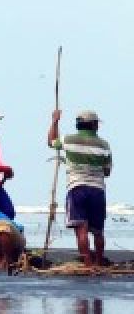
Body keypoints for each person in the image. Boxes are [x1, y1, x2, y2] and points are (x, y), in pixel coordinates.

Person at [47, 109, 113, 268]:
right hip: (97, 190)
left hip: (77, 188)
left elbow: (51, 141)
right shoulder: (104, 145)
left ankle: (88, 264)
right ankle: (98, 262)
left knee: (81, 230)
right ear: (93, 125)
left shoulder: (69, 140)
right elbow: (107, 171)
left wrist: (55, 121)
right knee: (98, 231)